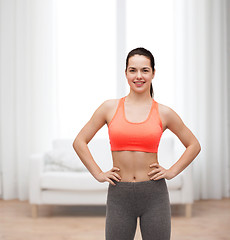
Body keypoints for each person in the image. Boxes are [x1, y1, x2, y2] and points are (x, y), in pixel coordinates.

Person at [73, 47, 201, 240]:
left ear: (153, 73)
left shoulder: (164, 112)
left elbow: (193, 144)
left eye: (145, 70)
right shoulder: (109, 107)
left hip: (154, 195)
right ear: (125, 73)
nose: (138, 76)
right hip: (119, 195)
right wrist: (98, 174)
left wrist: (172, 171)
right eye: (133, 70)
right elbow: (79, 141)